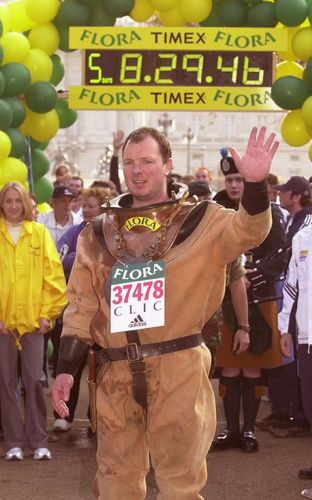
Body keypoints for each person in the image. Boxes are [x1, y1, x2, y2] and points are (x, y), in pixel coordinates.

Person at [52, 125, 277, 499]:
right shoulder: (98, 232)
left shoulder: (203, 221)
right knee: (115, 483)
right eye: (129, 163)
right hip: (116, 372)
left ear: (167, 165)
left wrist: (255, 188)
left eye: (147, 161)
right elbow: (80, 304)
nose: (137, 170)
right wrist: (65, 368)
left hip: (179, 371)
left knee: (180, 485)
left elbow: (248, 231)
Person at [211, 150, 286, 453]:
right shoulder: (214, 209)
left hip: (260, 297)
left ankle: (249, 430)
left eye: (239, 179)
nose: (233, 185)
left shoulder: (271, 210)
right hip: (224, 301)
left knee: (252, 368)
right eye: (229, 179)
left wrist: (251, 277)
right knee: (229, 367)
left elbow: (282, 253)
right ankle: (230, 430)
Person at [0, 181, 67, 461]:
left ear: (26, 203)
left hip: (33, 324)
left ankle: (39, 439)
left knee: (34, 381)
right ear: (1, 204)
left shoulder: (39, 233)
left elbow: (53, 278)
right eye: (8, 201)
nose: (13, 206)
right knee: (5, 383)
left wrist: (46, 314)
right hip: (3, 326)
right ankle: (13, 441)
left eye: (18, 201)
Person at [53, 187, 113, 432]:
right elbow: (59, 260)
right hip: (77, 311)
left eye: (92, 206)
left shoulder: (113, 236)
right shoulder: (74, 233)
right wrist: (81, 257)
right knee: (71, 366)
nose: (86, 210)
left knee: (102, 371)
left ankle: (95, 418)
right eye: (85, 205)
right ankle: (64, 415)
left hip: (106, 317)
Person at [258, 175, 312, 434]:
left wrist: (257, 274)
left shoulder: (304, 222)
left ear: (298, 195)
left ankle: (295, 415)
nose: (279, 195)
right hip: (299, 319)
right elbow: (289, 277)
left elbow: (285, 258)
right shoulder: (297, 228)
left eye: (284, 191)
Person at [278, 223, 312, 499]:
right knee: (310, 404)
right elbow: (291, 286)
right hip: (306, 336)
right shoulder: (302, 236)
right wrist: (285, 329)